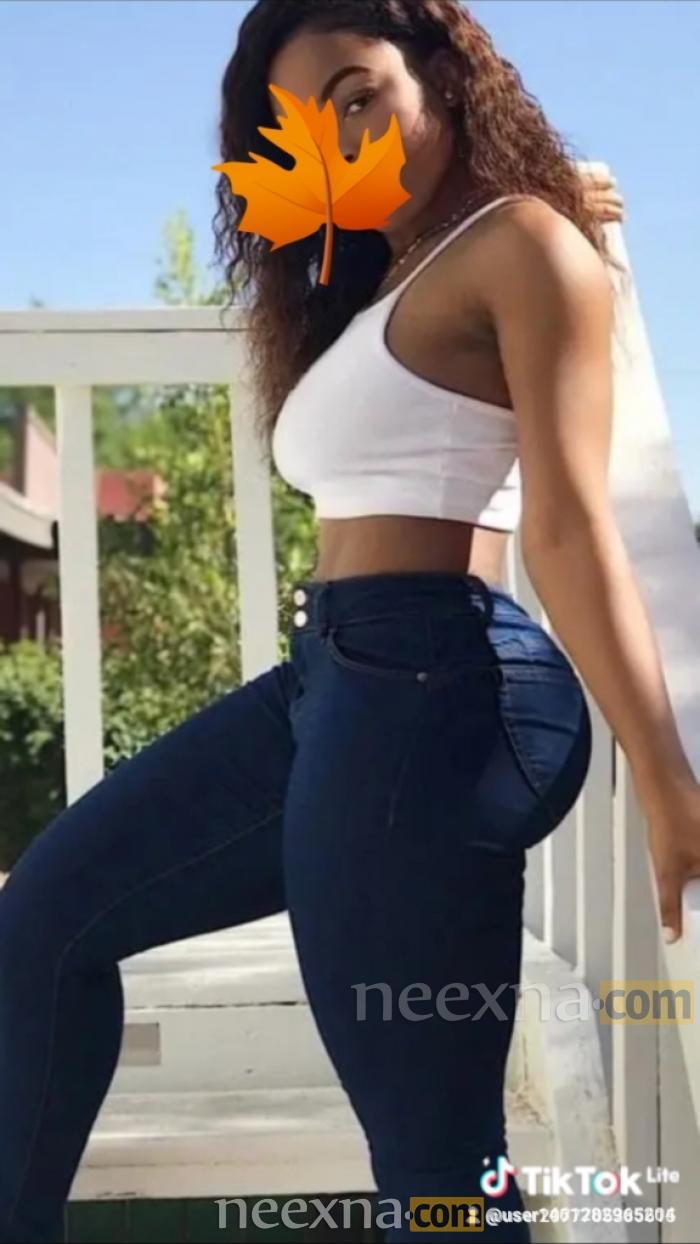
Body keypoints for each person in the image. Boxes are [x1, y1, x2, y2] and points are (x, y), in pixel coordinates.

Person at [2, 2, 698, 1241]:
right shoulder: (391, 275)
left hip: (435, 687)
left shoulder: (518, 242)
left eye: (359, 95)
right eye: (300, 128)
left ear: (445, 77)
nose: (339, 139)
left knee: (433, 1164)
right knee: (43, 916)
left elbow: (567, 523)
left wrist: (664, 775)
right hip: (337, 678)